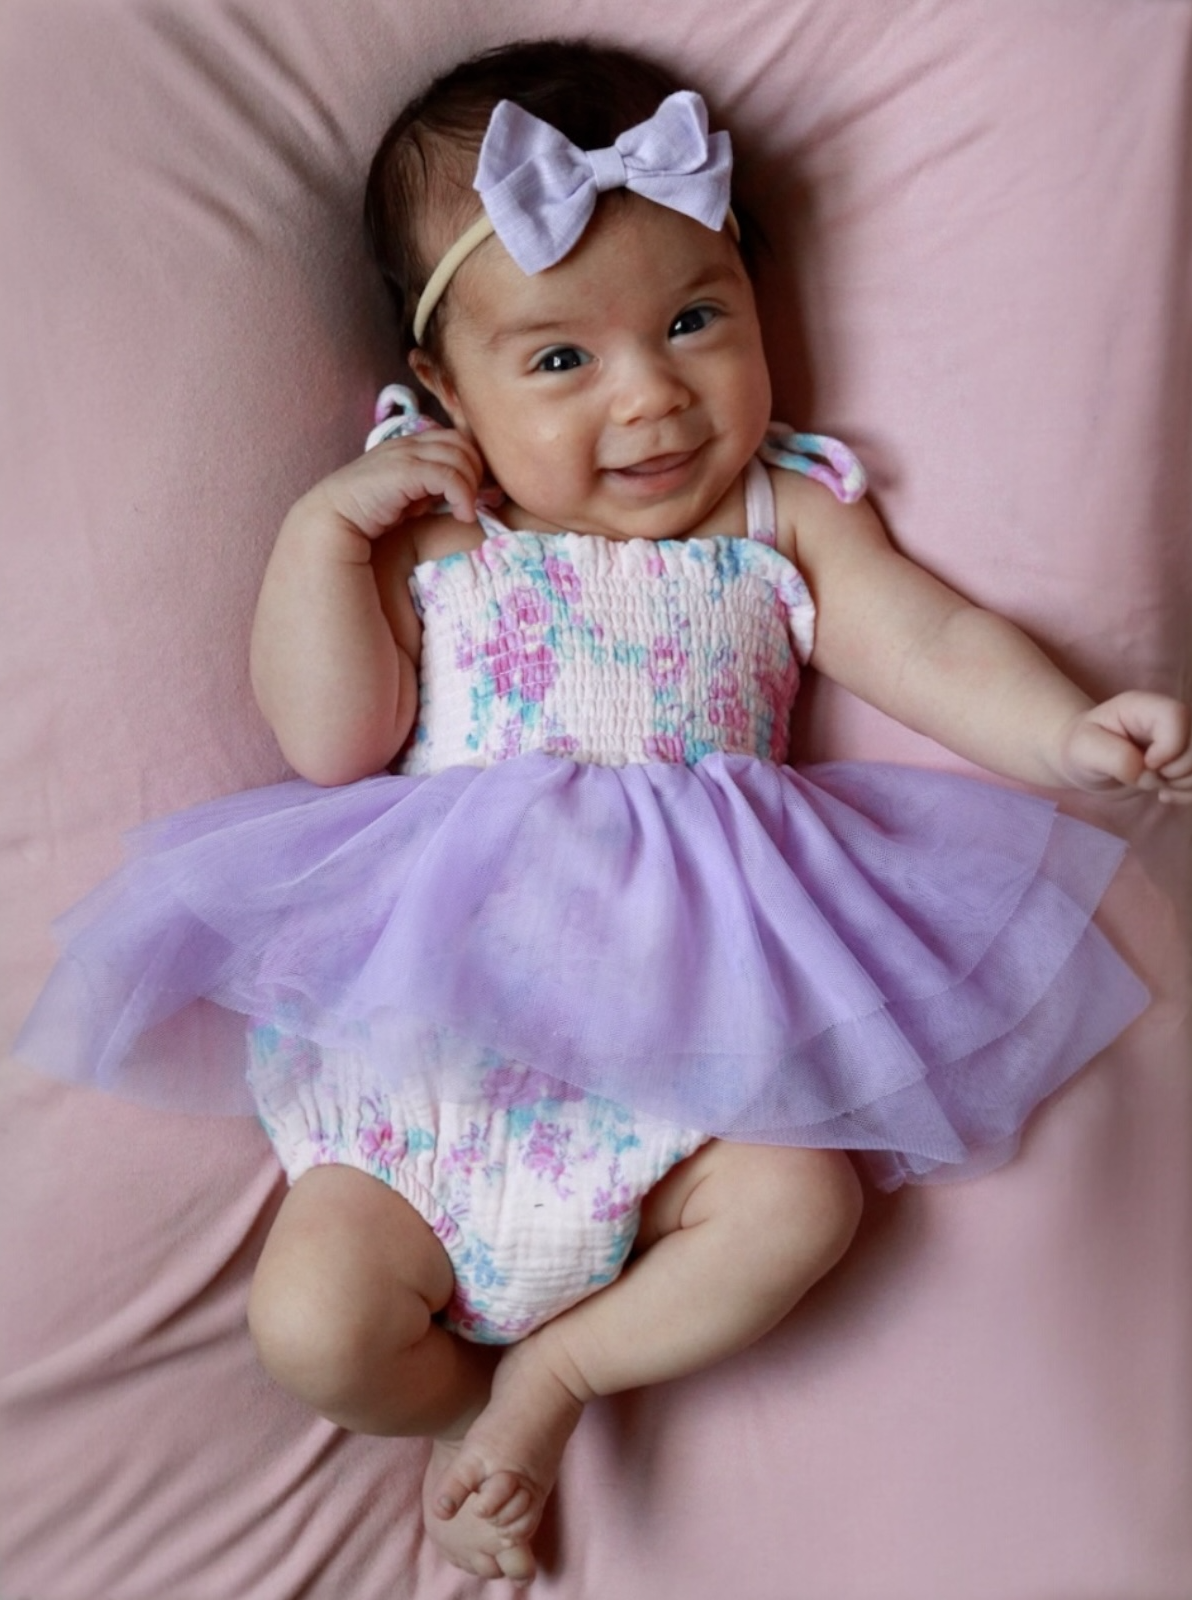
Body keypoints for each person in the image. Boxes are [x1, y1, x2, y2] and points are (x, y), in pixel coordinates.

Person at [16, 37, 1192, 1588]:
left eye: (697, 321)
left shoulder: (789, 514)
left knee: (797, 1205)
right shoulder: (431, 530)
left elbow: (934, 646)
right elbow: (333, 738)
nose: (651, 397)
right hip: (438, 1068)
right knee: (311, 1328)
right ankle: (457, 1405)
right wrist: (320, 542)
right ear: (445, 389)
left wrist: (1066, 731)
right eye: (560, 361)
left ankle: (554, 1385)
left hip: (701, 1048)